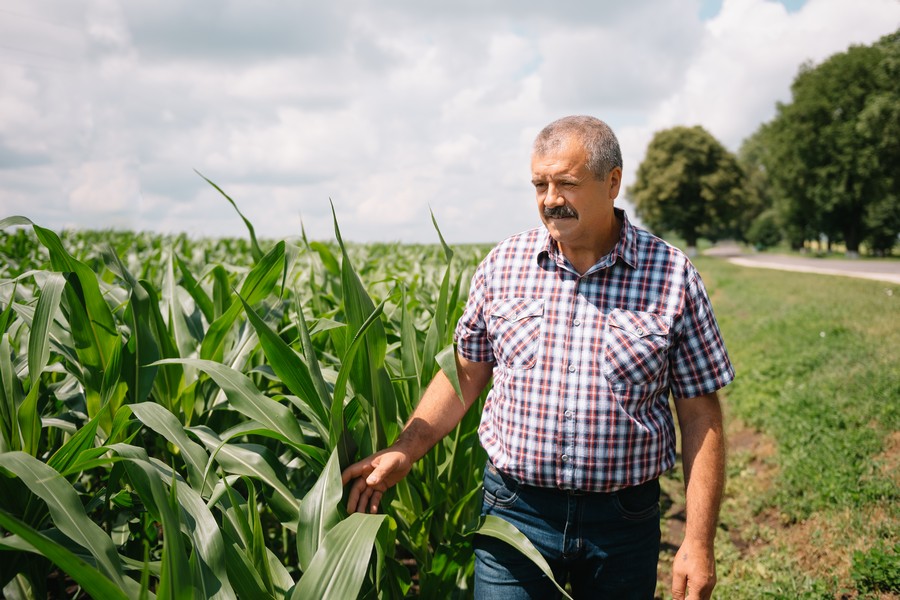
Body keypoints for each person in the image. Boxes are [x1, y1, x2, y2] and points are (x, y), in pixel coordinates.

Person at [342, 115, 734, 599]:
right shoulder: (503, 266)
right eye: (540, 184)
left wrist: (697, 542)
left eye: (566, 183)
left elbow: (700, 416)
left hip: (624, 522)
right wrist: (407, 447)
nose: (551, 199)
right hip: (515, 512)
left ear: (612, 182)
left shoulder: (672, 276)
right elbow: (464, 372)